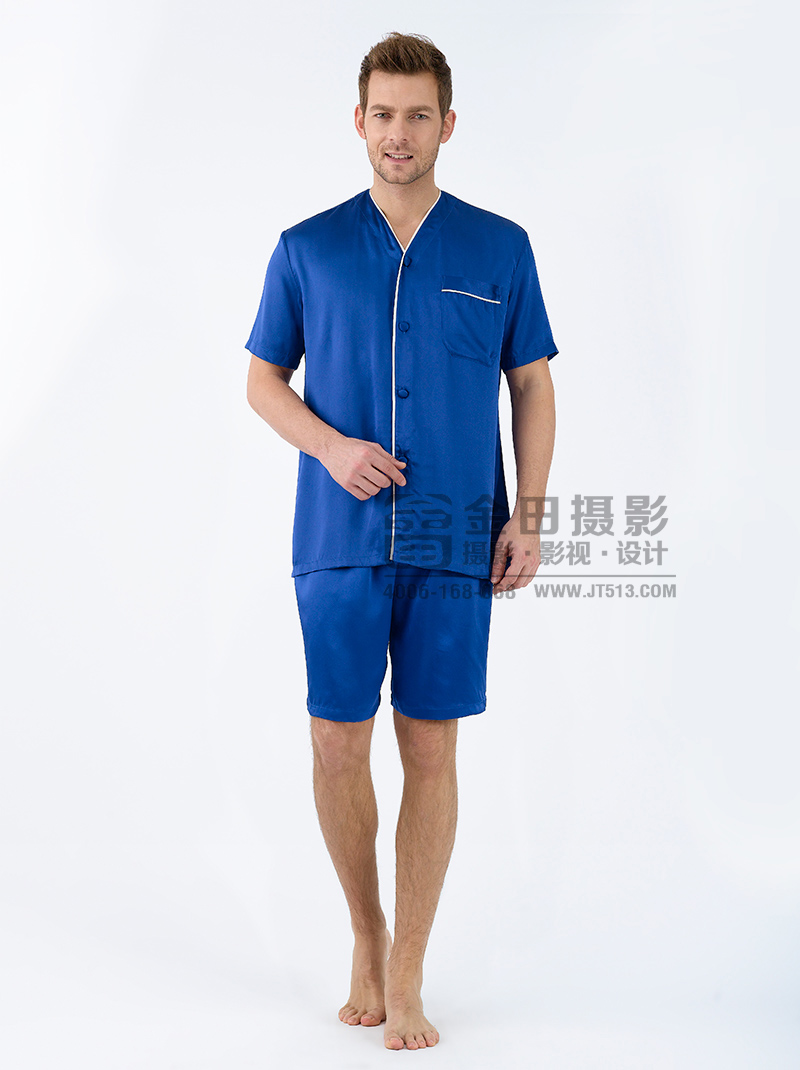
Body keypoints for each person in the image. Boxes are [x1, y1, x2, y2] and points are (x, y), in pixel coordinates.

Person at [244, 31, 558, 1051]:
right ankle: (366, 933)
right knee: (336, 740)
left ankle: (410, 967)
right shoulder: (307, 248)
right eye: (383, 113)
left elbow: (531, 384)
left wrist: (529, 512)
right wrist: (331, 447)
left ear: (447, 124)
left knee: (430, 743)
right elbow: (262, 381)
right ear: (358, 120)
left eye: (418, 114)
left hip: (454, 531)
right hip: (337, 532)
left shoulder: (499, 247)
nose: (399, 132)